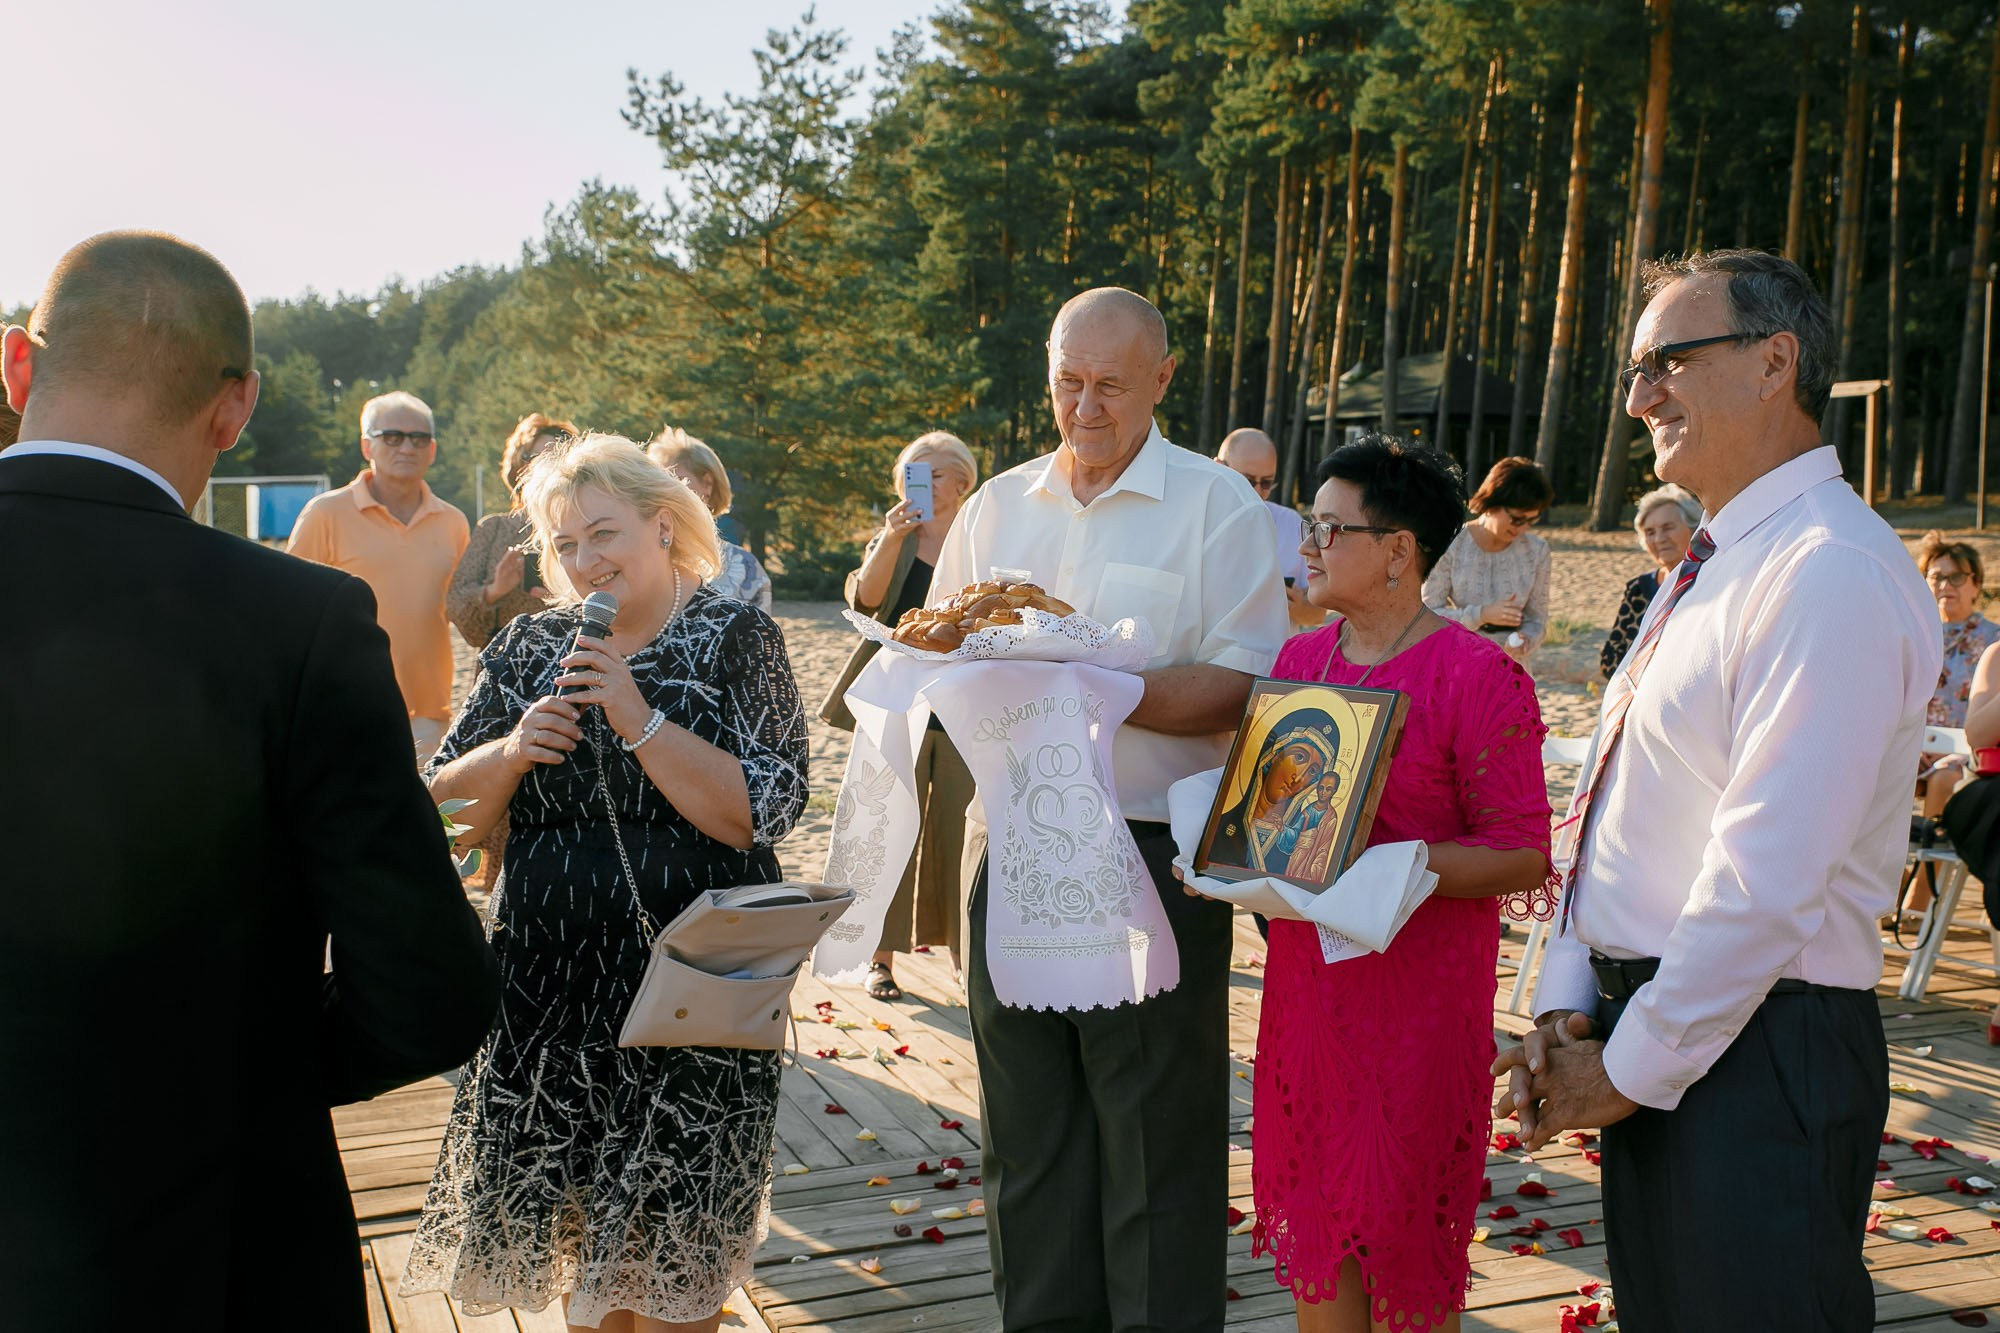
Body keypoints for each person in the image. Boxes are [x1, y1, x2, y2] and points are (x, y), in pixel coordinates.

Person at [0, 230, 498, 1331]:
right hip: (215, 1248)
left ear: (17, 367)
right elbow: (429, 993)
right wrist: (241, 1066)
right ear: (234, 409)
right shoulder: (298, 624)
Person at [1496, 250, 1939, 1332]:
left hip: (1754, 1047)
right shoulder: (1720, 560)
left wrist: (1628, 1063)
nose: (1639, 395)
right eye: (1634, 370)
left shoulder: (1823, 568)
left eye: (1666, 361)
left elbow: (1764, 874)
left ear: (1771, 362)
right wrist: (1567, 997)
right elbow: (1618, 798)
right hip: (1669, 1026)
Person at [931, 286, 1288, 1332]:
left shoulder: (1218, 504)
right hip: (1013, 847)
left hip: (1151, 852)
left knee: (1154, 1148)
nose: (1084, 406)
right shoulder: (994, 505)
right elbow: (941, 645)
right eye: (1066, 382)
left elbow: (1242, 683)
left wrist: (1089, 682)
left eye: (1110, 385)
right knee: (1026, 1142)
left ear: (1163, 381)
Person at [401, 434, 809, 1332]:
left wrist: (637, 714)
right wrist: (511, 754)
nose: (584, 562)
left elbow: (764, 809)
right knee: (585, 1279)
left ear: (663, 526)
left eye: (603, 534)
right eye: (564, 544)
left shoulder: (739, 637)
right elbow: (441, 804)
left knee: (674, 1269)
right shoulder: (528, 644)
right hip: (551, 993)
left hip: (698, 994)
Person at [1222, 438, 1553, 1333]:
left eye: (1331, 527)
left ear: (1400, 550)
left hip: (1419, 1012)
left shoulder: (1478, 676)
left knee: (1406, 1270)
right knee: (1320, 1259)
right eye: (1310, 524)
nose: (1309, 545)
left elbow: (1523, 853)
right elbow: (1266, 829)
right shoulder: (1296, 668)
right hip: (1307, 1007)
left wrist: (1386, 862)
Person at [821, 430, 981, 995]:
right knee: (888, 828)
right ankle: (879, 958)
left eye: (935, 473)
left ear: (962, 480)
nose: (925, 483)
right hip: (897, 706)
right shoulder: (897, 538)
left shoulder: (981, 534)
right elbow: (864, 600)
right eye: (914, 473)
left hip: (965, 706)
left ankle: (964, 958)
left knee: (963, 833)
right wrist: (891, 535)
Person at [289, 389, 471, 759]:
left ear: (432, 450)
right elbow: (289, 609)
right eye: (393, 437)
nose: (407, 447)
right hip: (346, 707)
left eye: (419, 439)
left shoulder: (453, 522)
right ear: (366, 446)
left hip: (429, 714)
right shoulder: (325, 514)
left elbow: (463, 608)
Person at [448, 412, 576, 650]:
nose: (551, 467)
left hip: (574, 660)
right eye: (540, 457)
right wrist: (494, 591)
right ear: (519, 465)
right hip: (503, 665)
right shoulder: (493, 529)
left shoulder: (589, 527)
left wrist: (568, 595)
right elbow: (456, 604)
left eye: (561, 457)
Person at [1420, 455, 1552, 666]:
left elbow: (1537, 619)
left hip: (1513, 667)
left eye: (1531, 520)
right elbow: (1428, 615)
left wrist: (1527, 639)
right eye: (1517, 519)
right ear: (1492, 503)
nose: (1523, 528)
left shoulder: (1537, 551)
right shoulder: (1451, 544)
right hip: (1459, 663)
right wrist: (1481, 615)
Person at [1914, 532, 2000, 820]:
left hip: (1968, 753)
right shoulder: (1911, 635)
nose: (1944, 585)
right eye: (1936, 577)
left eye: (1957, 577)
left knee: (1942, 780)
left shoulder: (1993, 641)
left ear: (1976, 585)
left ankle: (1929, 866)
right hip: (1915, 747)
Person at [647, 427, 771, 611]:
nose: (663, 494)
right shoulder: (638, 557)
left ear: (707, 484)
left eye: (674, 481)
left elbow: (759, 636)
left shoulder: (744, 569)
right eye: (655, 485)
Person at [1204, 711, 1337, 875]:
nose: (1300, 778)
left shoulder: (1300, 840)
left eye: (1312, 771)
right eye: (1299, 757)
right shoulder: (1221, 821)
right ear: (1275, 755)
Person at [1218, 426, 1320, 628]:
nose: (1256, 492)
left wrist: (1298, 607)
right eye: (1246, 480)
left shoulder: (1292, 524)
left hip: (1273, 659)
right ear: (1219, 467)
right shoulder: (1196, 519)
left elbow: (1317, 616)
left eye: (1266, 483)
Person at [1599, 483, 1701, 679]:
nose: (1659, 539)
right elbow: (1610, 662)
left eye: (1668, 528)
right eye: (1650, 532)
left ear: (1694, 528)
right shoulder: (1638, 588)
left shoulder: (1709, 582)